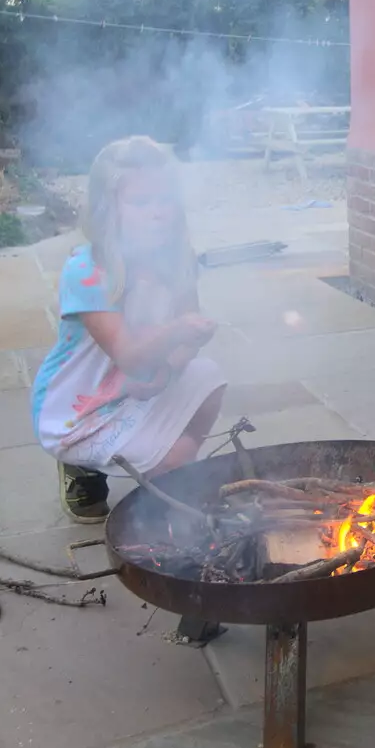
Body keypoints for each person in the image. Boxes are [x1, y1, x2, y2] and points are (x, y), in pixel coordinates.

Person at [35, 136, 227, 523]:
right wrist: (175, 331)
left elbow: (184, 337)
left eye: (165, 199)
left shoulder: (177, 259)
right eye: (141, 203)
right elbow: (130, 356)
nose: (159, 212)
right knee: (177, 455)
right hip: (82, 409)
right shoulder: (87, 272)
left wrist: (170, 366)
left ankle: (161, 474)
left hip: (137, 385)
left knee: (208, 376)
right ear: (109, 210)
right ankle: (82, 465)